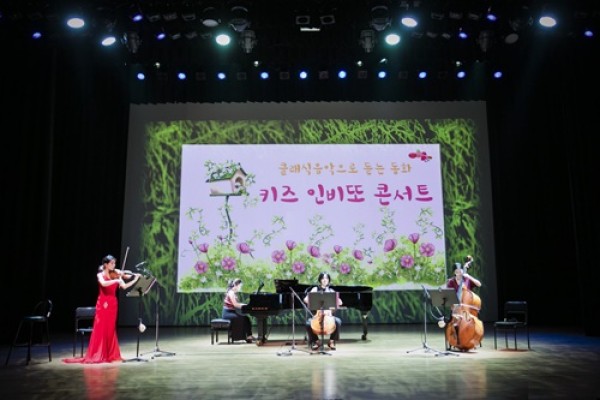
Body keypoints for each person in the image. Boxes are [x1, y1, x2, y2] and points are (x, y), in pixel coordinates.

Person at [63, 254, 141, 364]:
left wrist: (135, 279)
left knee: (110, 329)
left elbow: (124, 286)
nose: (114, 265)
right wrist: (116, 281)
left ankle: (109, 354)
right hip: (103, 304)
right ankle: (98, 353)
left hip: (113, 304)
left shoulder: (116, 274)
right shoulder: (100, 275)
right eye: (112, 263)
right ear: (106, 264)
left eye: (114, 263)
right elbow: (104, 284)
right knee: (101, 329)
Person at [304, 272, 343, 351]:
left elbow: (340, 302)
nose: (325, 280)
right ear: (320, 280)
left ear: (328, 280)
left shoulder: (331, 290)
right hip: (318, 315)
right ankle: (316, 341)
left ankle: (331, 341)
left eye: (326, 278)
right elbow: (305, 299)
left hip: (328, 315)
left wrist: (337, 301)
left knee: (338, 321)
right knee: (308, 324)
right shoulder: (315, 289)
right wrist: (312, 300)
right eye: (323, 278)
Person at [222, 278, 255, 343]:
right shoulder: (231, 293)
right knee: (243, 318)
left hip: (231, 312)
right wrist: (246, 306)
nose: (240, 288)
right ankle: (247, 336)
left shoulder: (232, 293)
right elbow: (235, 304)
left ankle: (249, 336)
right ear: (235, 285)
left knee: (246, 318)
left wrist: (246, 305)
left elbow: (237, 304)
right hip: (227, 313)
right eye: (239, 286)